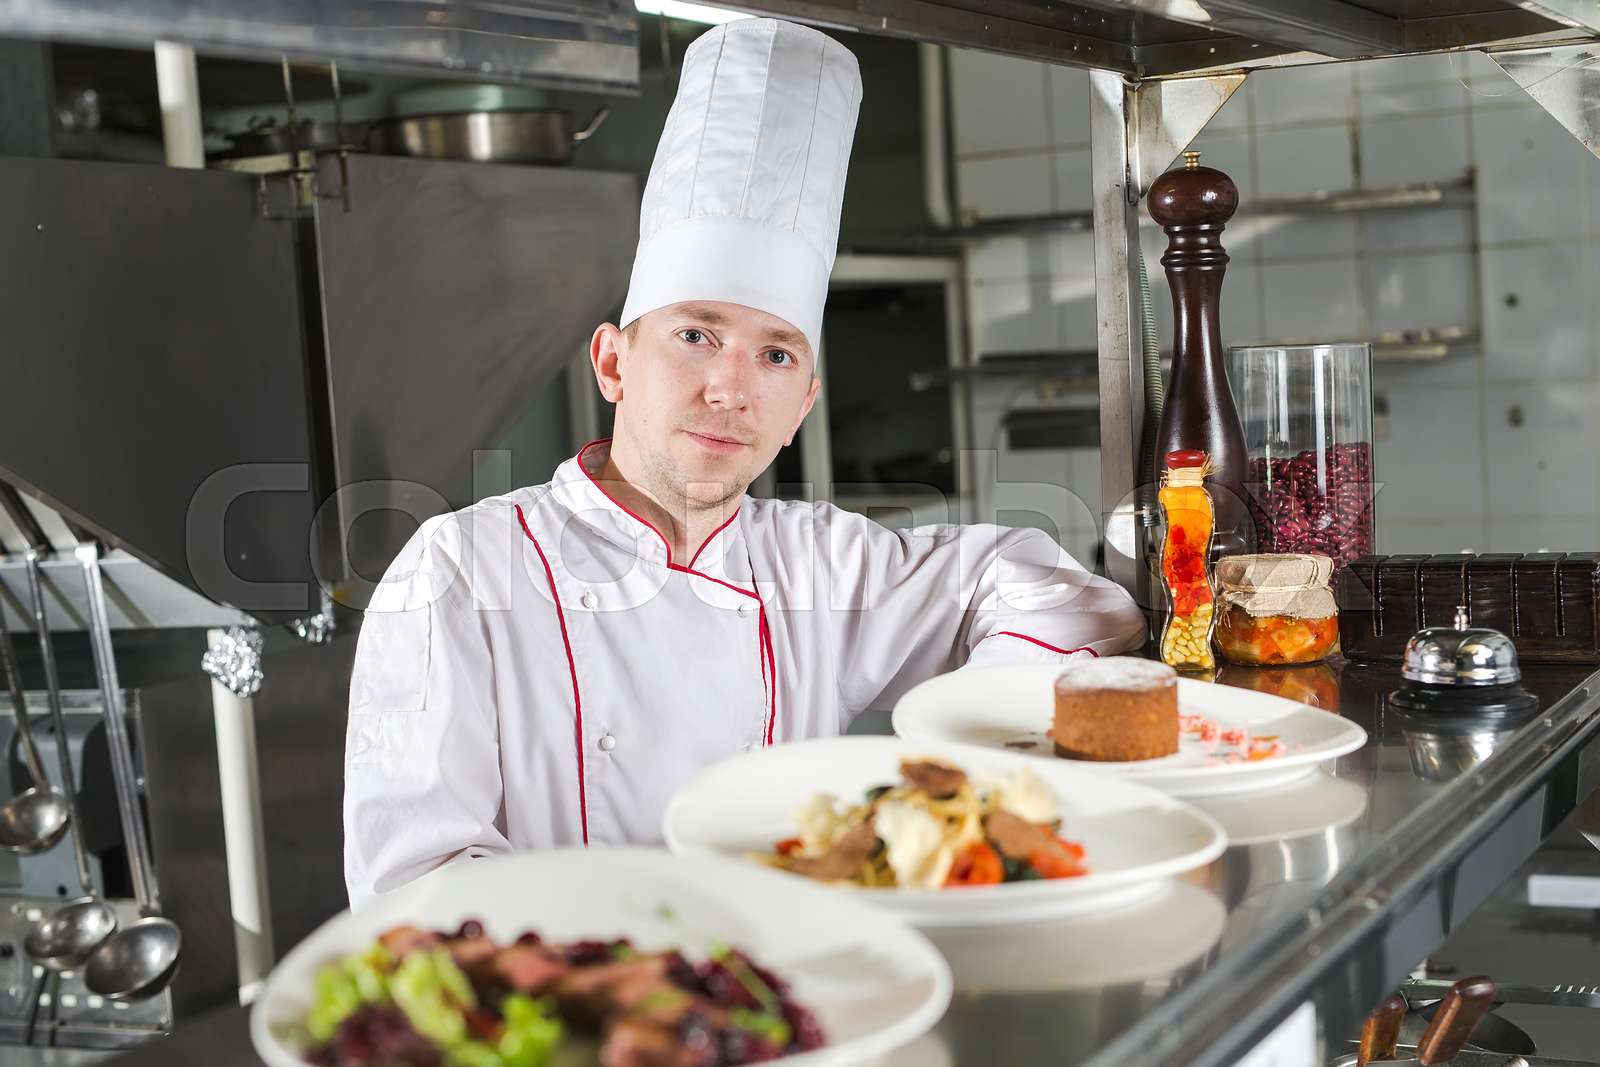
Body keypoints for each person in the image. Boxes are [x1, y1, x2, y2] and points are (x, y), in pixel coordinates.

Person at [343, 17, 1146, 906]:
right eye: (696, 335)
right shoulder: (459, 566)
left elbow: (1073, 604)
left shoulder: (814, 561)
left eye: (775, 355)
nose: (732, 388)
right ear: (612, 360)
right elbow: (413, 886)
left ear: (803, 403)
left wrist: (945, 760)